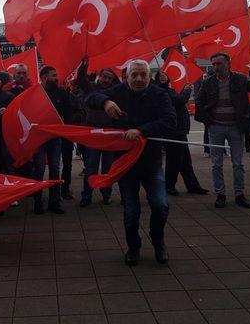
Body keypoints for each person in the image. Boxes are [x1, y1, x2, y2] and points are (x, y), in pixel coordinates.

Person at [86, 60, 176, 265]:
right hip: (125, 163)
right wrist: (105, 102)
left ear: (149, 76)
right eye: (134, 74)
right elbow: (90, 96)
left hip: (151, 162)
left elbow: (170, 120)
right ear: (126, 76)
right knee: (131, 211)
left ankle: (158, 240)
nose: (138, 79)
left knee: (160, 205)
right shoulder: (117, 92)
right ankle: (133, 246)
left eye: (143, 74)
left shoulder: (159, 95)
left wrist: (142, 131)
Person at [194, 52, 250, 209]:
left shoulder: (240, 79)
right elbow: (199, 101)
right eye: (214, 64)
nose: (216, 67)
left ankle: (239, 194)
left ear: (228, 63)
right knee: (216, 163)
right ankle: (221, 194)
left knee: (238, 163)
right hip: (215, 127)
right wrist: (208, 121)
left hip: (235, 127)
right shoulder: (208, 82)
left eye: (219, 63)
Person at [153, 71, 208, 196]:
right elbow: (180, 100)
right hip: (173, 131)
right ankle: (169, 186)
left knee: (185, 161)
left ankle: (192, 185)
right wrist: (187, 90)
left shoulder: (169, 90)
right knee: (174, 160)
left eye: (165, 76)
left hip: (179, 130)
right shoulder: (161, 92)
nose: (164, 78)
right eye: (161, 76)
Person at [74, 60, 118, 207]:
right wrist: (84, 65)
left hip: (109, 135)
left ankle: (106, 194)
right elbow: (80, 79)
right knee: (91, 167)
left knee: (107, 168)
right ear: (99, 76)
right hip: (93, 134)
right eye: (104, 76)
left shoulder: (115, 91)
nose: (106, 80)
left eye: (109, 78)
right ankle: (87, 196)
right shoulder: (91, 88)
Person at [32, 66, 73, 215]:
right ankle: (38, 202)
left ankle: (55, 202)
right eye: (53, 75)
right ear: (43, 77)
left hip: (55, 137)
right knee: (39, 169)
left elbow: (68, 112)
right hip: (39, 137)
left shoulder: (62, 92)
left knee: (55, 168)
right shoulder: (35, 93)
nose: (56, 78)